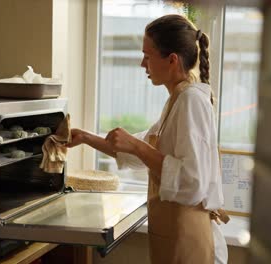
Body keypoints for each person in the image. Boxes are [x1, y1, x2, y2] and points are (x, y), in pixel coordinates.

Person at [67, 14, 228, 264]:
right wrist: (87, 137)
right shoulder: (177, 100)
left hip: (194, 247)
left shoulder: (191, 101)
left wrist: (136, 145)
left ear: (172, 60)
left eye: (147, 55)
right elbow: (142, 149)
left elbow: (192, 182)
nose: (143, 64)